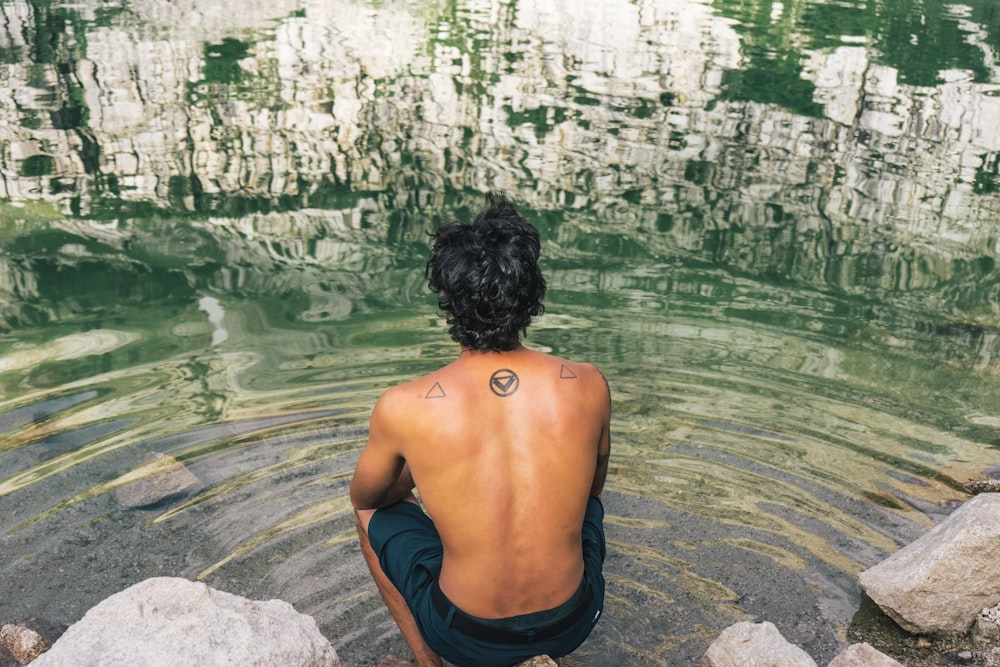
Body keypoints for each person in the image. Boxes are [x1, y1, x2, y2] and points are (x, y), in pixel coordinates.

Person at [350, 192, 611, 667]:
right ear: (533, 291)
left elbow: (367, 498)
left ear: (448, 297)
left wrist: (425, 468)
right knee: (587, 502)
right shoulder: (589, 384)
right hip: (574, 619)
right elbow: (592, 488)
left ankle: (428, 664)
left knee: (371, 518)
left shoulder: (404, 406)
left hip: (466, 638)